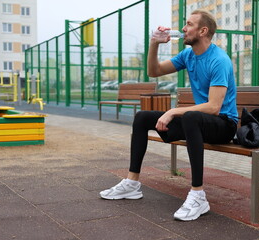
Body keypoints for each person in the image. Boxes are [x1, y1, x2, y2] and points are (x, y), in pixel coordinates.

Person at [100, 9, 238, 221]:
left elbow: (214, 107)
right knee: (143, 117)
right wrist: (154, 43)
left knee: (191, 117)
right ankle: (132, 183)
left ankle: (198, 195)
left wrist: (173, 111)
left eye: (189, 24)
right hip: (201, 122)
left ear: (203, 31)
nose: (183, 28)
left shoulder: (219, 60)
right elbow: (153, 71)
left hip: (224, 125)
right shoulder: (188, 55)